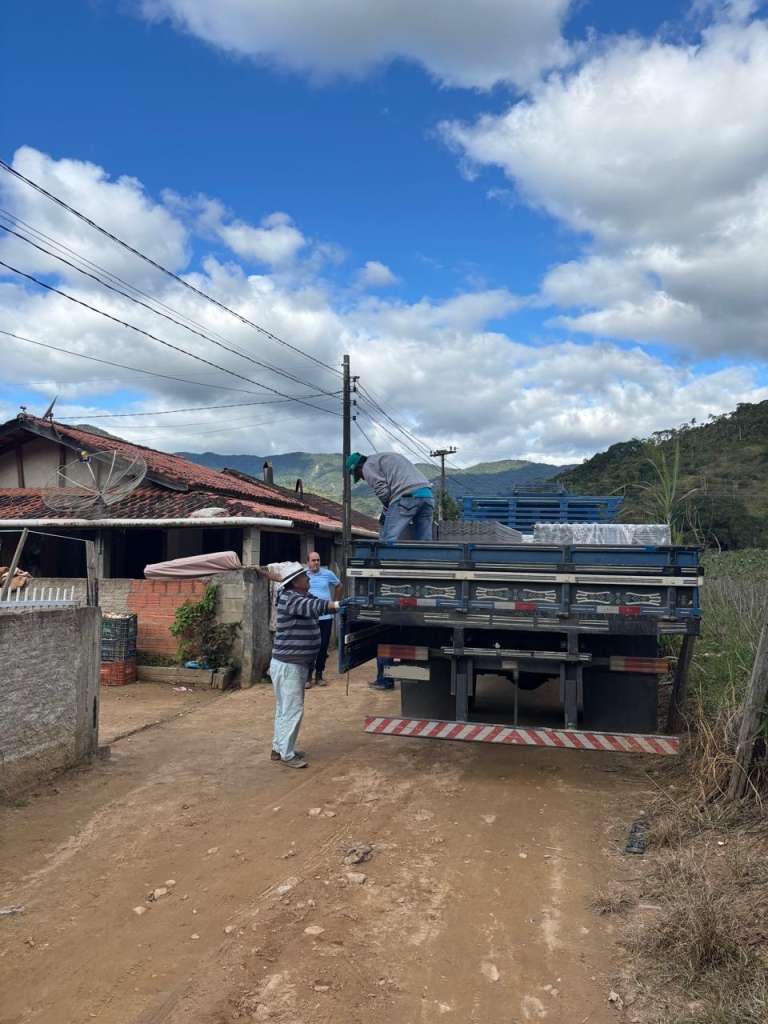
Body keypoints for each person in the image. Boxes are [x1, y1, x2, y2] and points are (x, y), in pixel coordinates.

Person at [253, 561, 346, 768]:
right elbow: (314, 607)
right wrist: (339, 604)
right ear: (295, 582)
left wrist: (338, 607)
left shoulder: (302, 595)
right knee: (292, 709)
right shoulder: (289, 598)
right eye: (305, 576)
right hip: (289, 665)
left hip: (293, 664)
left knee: (285, 708)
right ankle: (287, 754)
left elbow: (319, 605)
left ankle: (280, 749)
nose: (308, 578)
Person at [346, 452, 435, 543]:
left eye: (359, 475)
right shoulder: (384, 457)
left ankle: (385, 557)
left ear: (358, 468)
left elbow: (382, 491)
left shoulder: (368, 466)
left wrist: (386, 510)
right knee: (424, 541)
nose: (362, 478)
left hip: (407, 497)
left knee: (387, 539)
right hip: (427, 496)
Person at [305, 552, 342, 688]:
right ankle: (308, 675)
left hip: (326, 617)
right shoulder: (303, 575)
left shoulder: (328, 574)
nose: (316, 562)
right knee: (309, 647)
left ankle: (319, 674)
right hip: (309, 617)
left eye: (318, 560)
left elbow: (339, 586)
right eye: (313, 560)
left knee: (323, 646)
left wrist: (335, 603)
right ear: (307, 562)